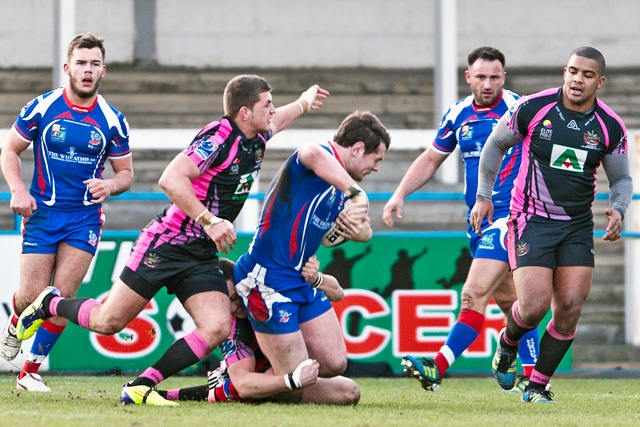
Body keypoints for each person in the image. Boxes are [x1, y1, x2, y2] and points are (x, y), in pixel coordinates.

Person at [17, 74, 330, 405]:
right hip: (167, 243)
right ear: (244, 112)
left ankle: (141, 385)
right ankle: (49, 303)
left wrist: (305, 102)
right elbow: (170, 178)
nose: (272, 110)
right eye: (266, 104)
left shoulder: (258, 133)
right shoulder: (219, 137)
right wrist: (209, 220)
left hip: (199, 253)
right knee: (109, 321)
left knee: (217, 327)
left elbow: (280, 118)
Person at [470, 46, 632, 404]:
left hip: (576, 224)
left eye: (588, 75)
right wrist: (483, 195)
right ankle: (508, 342)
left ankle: (537, 386)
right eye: (573, 71)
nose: (578, 79)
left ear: (599, 82)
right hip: (530, 219)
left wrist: (619, 209)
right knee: (533, 307)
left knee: (571, 305)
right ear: (564, 72)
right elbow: (495, 144)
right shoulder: (533, 107)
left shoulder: (610, 126)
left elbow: (621, 180)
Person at [382, 47, 540, 393]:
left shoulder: (520, 109)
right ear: (468, 77)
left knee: (472, 295)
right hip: (478, 222)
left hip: (512, 217)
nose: (488, 84)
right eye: (481, 77)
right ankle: (525, 369)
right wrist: (399, 194)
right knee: (514, 306)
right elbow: (431, 159)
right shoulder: (458, 114)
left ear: (504, 77)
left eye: (495, 77)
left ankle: (437, 366)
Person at [0, 33, 134, 392]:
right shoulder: (42, 107)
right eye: (81, 63)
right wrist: (17, 189)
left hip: (84, 219)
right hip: (43, 214)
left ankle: (29, 371)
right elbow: (9, 150)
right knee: (31, 296)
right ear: (67, 67)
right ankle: (15, 322)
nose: (87, 70)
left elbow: (126, 175)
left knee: (60, 297)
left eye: (94, 64)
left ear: (103, 71)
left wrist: (111, 186)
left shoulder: (112, 120)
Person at [233, 110, 390, 398]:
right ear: (357, 149)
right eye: (375, 159)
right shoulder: (319, 157)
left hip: (300, 279)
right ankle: (237, 386)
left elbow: (357, 231)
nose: (376, 168)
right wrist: (357, 194)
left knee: (334, 362)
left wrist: (359, 232)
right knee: (297, 380)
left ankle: (268, 373)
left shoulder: (339, 187)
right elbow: (307, 151)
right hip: (267, 279)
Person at [158, 257, 360, 405]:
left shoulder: (274, 285)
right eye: (224, 302)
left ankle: (227, 390)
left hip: (292, 367)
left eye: (234, 297)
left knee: (350, 392)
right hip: (270, 376)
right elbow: (244, 383)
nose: (232, 308)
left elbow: (338, 293)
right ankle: (228, 390)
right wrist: (292, 380)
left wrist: (316, 278)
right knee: (342, 393)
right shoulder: (232, 327)